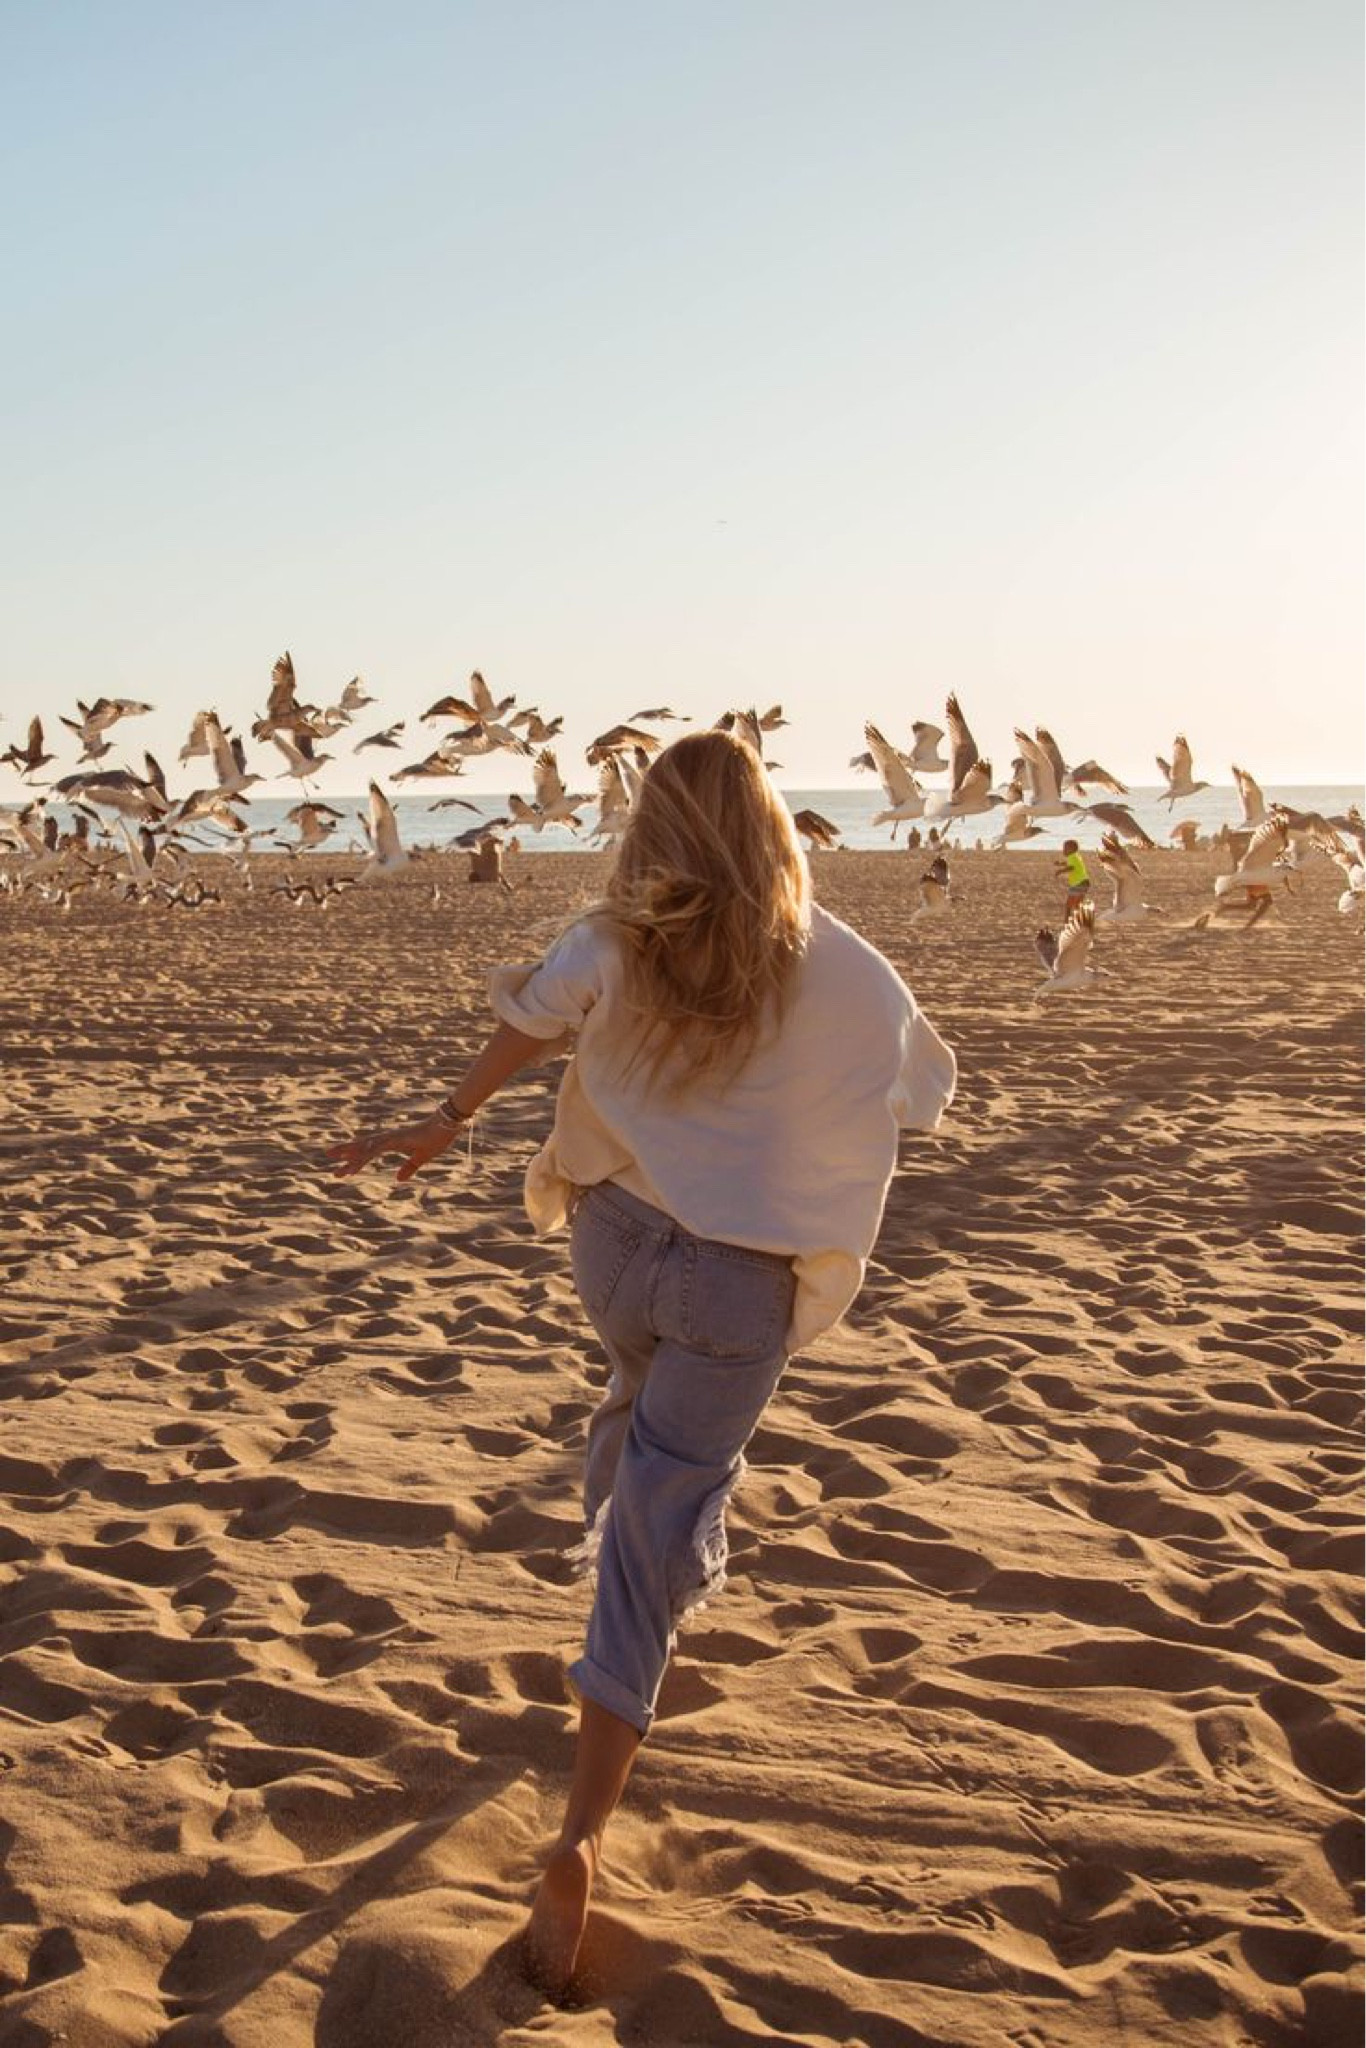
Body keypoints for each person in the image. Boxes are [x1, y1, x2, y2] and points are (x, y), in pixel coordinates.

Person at [327, 730, 956, 1999]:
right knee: (669, 1498)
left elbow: (528, 1021)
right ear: (777, 827)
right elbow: (919, 1100)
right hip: (740, 1286)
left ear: (650, 825)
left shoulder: (616, 938)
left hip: (612, 1244)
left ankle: (650, 1548)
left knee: (637, 1412)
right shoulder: (855, 970)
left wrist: (446, 1120)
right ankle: (579, 1834)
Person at [1056, 837, 1091, 913]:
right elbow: (1069, 864)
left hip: (1079, 883)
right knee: (1075, 904)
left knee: (1071, 904)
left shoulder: (1072, 857)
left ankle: (1069, 920)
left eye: (1065, 848)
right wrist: (1060, 864)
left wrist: (1061, 871)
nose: (1063, 850)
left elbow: (1071, 867)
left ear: (1072, 850)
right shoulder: (1075, 856)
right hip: (1083, 882)